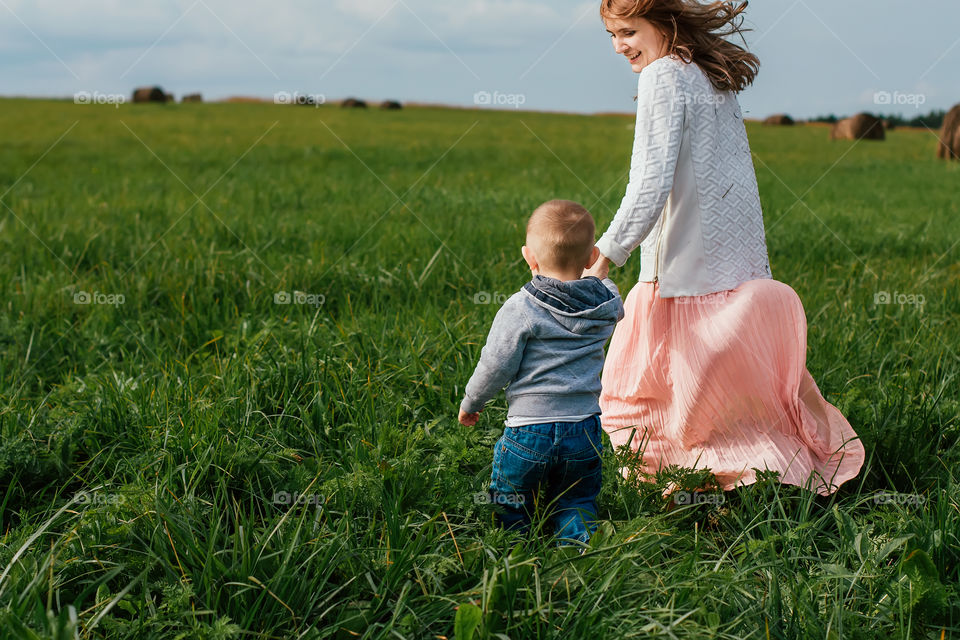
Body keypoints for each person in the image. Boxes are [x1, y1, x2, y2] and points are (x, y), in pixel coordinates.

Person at [583, 0, 865, 497]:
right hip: (734, 267)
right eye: (612, 35)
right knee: (724, 401)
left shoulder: (661, 78)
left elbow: (649, 182)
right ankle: (753, 471)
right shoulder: (706, 75)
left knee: (647, 399)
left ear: (663, 23)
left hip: (682, 268)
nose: (619, 45)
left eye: (629, 31)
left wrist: (608, 251)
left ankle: (691, 477)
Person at [459, 199, 625, 543]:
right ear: (592, 257)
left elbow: (496, 364)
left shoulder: (521, 307)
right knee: (576, 501)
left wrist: (472, 401)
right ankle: (580, 551)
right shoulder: (607, 303)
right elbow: (607, 288)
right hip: (585, 429)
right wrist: (597, 274)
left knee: (513, 504)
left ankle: (514, 553)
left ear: (529, 257)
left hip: (528, 432)